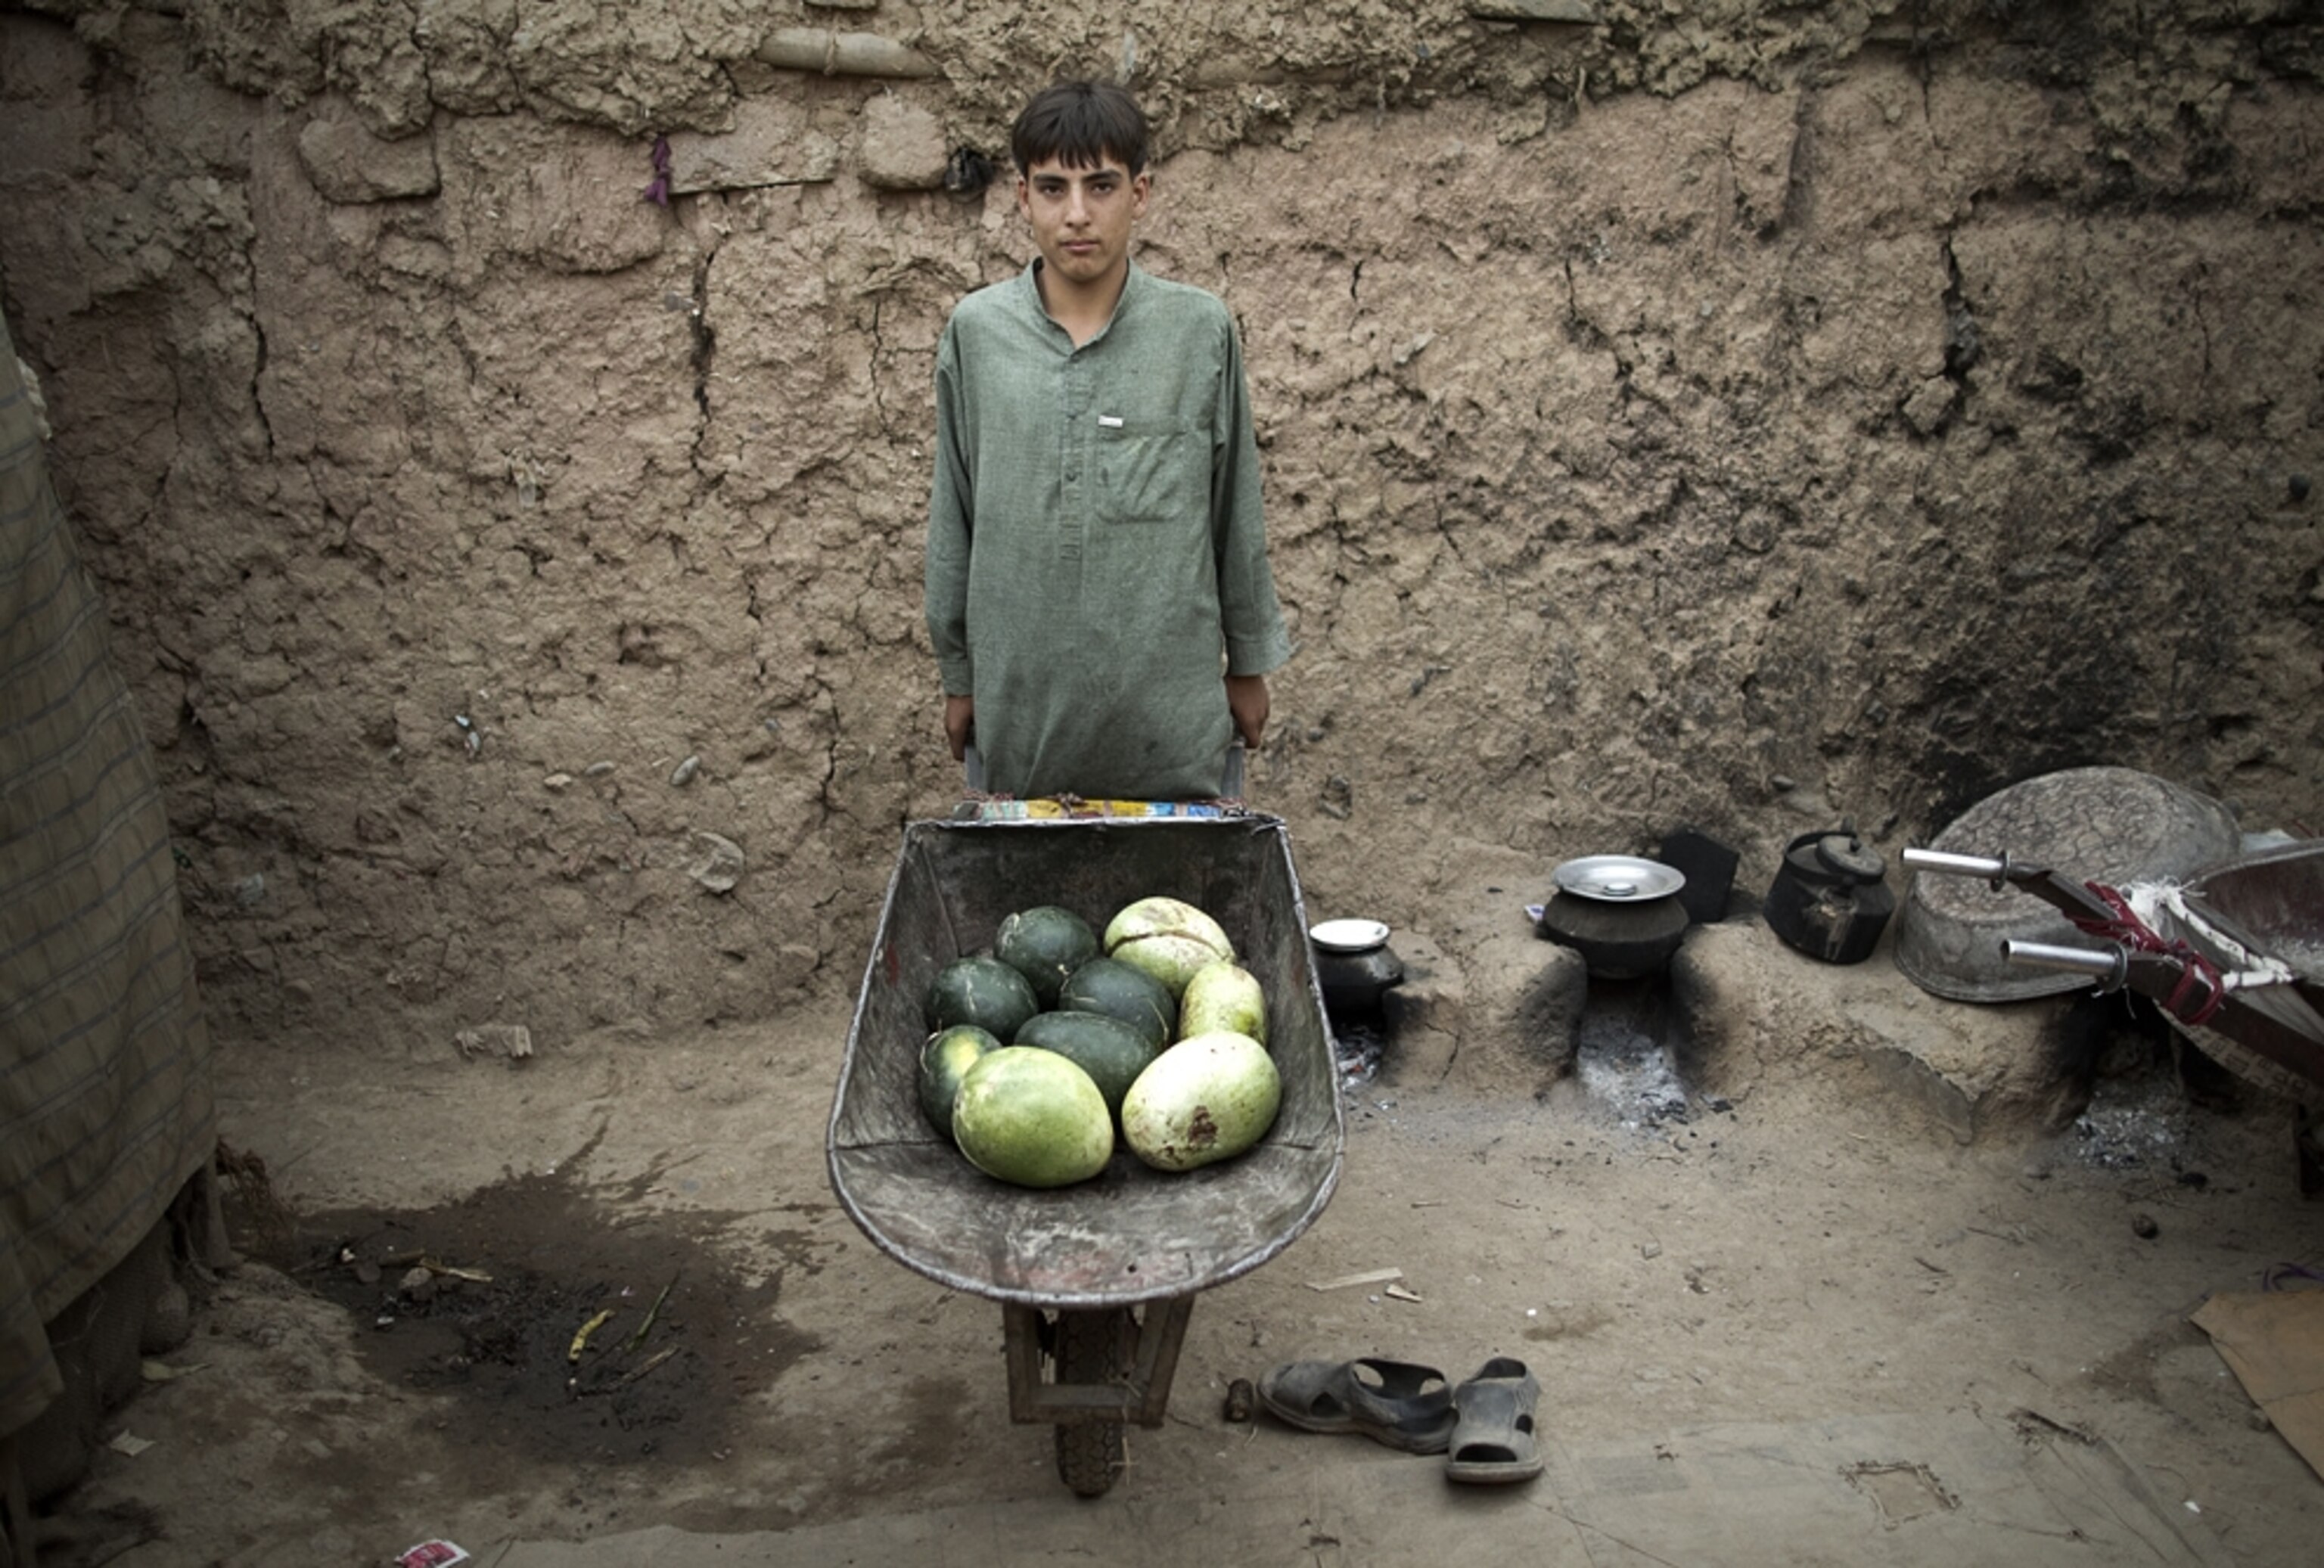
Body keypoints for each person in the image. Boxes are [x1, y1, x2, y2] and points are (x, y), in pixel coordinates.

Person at [922, 79, 1291, 801]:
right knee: (1031, 911)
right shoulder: (978, 334)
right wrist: (960, 677)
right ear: (1023, 198)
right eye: (1054, 189)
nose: (1078, 215)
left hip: (1170, 722)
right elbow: (954, 517)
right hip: (1021, 721)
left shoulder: (1197, 331)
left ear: (1141, 194)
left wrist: (1247, 666)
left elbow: (1234, 509)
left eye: (1102, 185)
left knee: (1172, 913)